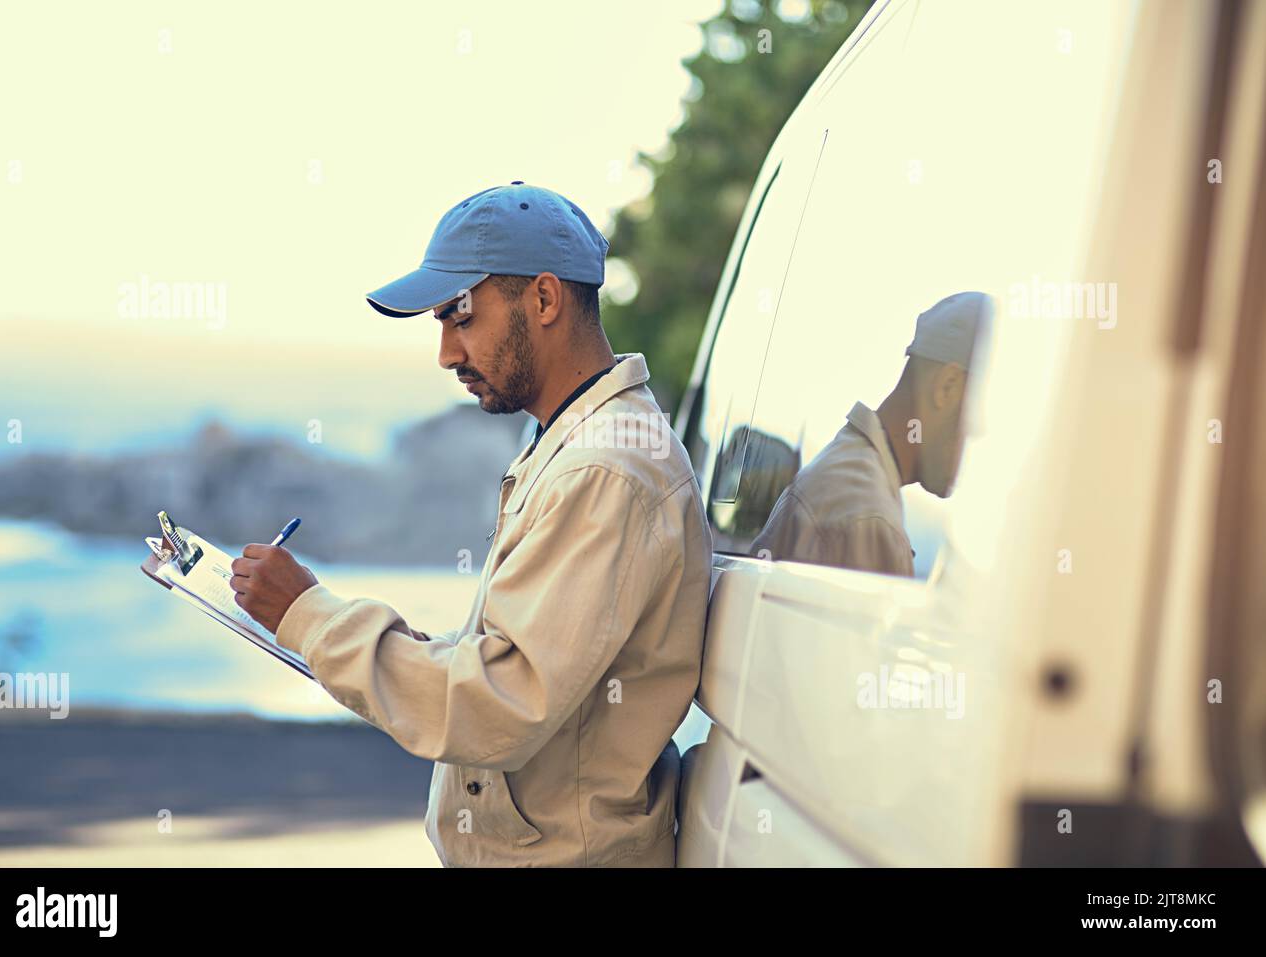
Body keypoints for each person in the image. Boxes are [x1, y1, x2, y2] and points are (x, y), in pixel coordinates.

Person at [227, 183, 713, 867]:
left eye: (460, 316)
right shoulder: (578, 444)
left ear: (544, 299)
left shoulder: (604, 468)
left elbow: (502, 703)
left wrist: (310, 617)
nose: (447, 353)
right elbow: (514, 665)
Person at [750, 291, 992, 576]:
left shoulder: (852, 474)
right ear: (947, 387)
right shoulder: (869, 519)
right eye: (980, 413)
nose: (980, 433)